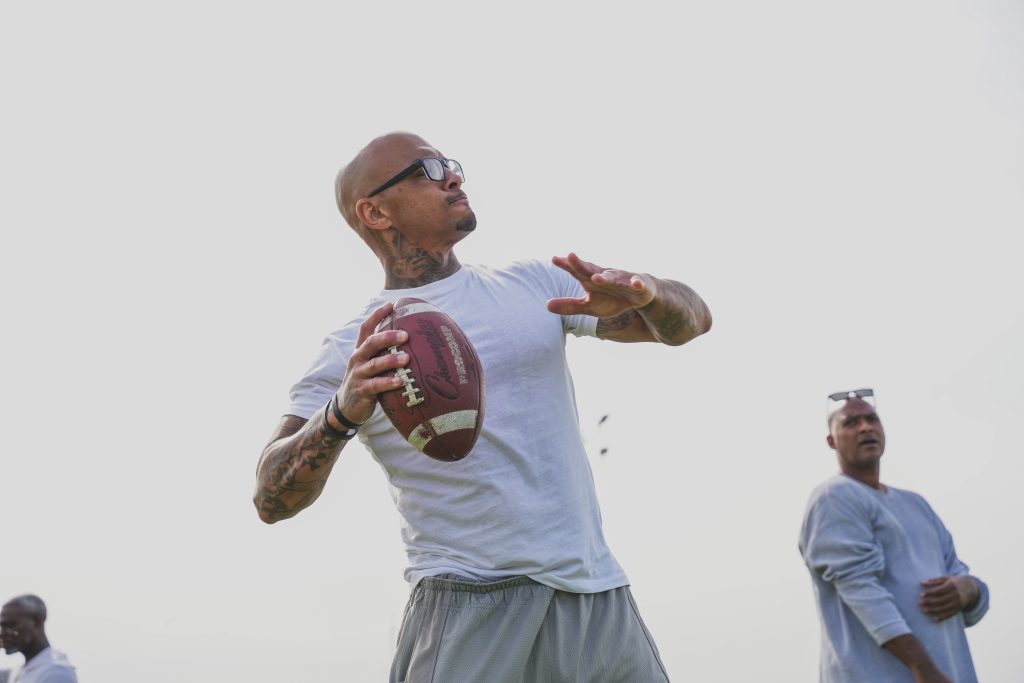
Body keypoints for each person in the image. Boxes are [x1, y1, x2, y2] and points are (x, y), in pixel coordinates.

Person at [252, 132, 712, 681]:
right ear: (374, 211)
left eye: (450, 163)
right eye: (426, 169)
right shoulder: (357, 346)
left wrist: (651, 295)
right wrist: (339, 412)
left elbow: (691, 324)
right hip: (471, 606)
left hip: (597, 597)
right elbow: (270, 498)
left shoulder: (536, 286)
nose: (453, 176)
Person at [799, 390, 989, 683]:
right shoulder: (835, 497)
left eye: (872, 419)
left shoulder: (916, 505)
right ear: (831, 441)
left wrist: (971, 590)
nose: (865, 427)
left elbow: (961, 579)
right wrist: (923, 668)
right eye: (851, 423)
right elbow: (861, 590)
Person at [0, 595, 78, 683]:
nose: (2, 633)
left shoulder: (56, 673)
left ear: (37, 623)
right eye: (2, 626)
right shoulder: (20, 671)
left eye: (10, 625)